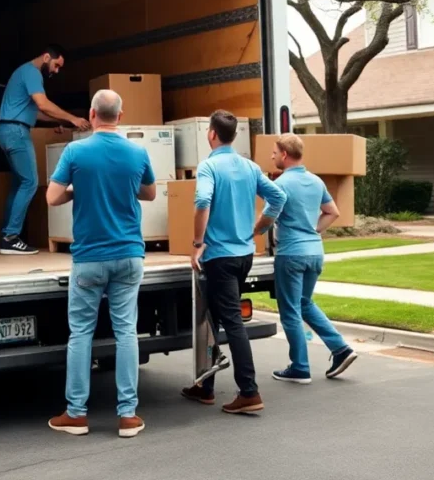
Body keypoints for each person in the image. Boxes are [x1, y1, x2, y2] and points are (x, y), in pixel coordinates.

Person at [45, 89, 156, 439]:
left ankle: (76, 414)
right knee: (126, 331)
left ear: (92, 114)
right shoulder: (137, 152)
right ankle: (128, 415)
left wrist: (78, 189)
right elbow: (150, 193)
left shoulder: (75, 151)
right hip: (129, 255)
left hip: (90, 258)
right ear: (120, 117)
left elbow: (52, 197)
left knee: (81, 333)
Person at [181, 110, 286, 414]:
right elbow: (278, 198)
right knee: (213, 318)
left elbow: (203, 201)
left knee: (231, 322)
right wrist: (259, 229)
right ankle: (205, 385)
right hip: (243, 255)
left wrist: (197, 244)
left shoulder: (209, 166)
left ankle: (249, 392)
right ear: (233, 135)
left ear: (212, 134)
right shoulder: (250, 167)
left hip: (220, 257)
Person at [269, 133, 357, 383]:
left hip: (291, 254)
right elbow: (333, 212)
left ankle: (300, 367)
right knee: (304, 303)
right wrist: (312, 230)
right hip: (315, 252)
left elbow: (268, 216)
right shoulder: (316, 181)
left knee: (290, 311)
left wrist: (254, 231)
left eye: (274, 153)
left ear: (284, 154)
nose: (272, 157)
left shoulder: (281, 184)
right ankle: (341, 349)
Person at [0, 44, 90, 256]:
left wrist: (57, 122)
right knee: (30, 182)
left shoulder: (23, 72)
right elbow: (43, 104)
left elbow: (35, 113)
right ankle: (10, 237)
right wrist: (72, 118)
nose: (57, 70)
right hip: (16, 132)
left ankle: (6, 237)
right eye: (56, 65)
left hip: (6, 130)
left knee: (19, 183)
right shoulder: (32, 72)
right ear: (46, 57)